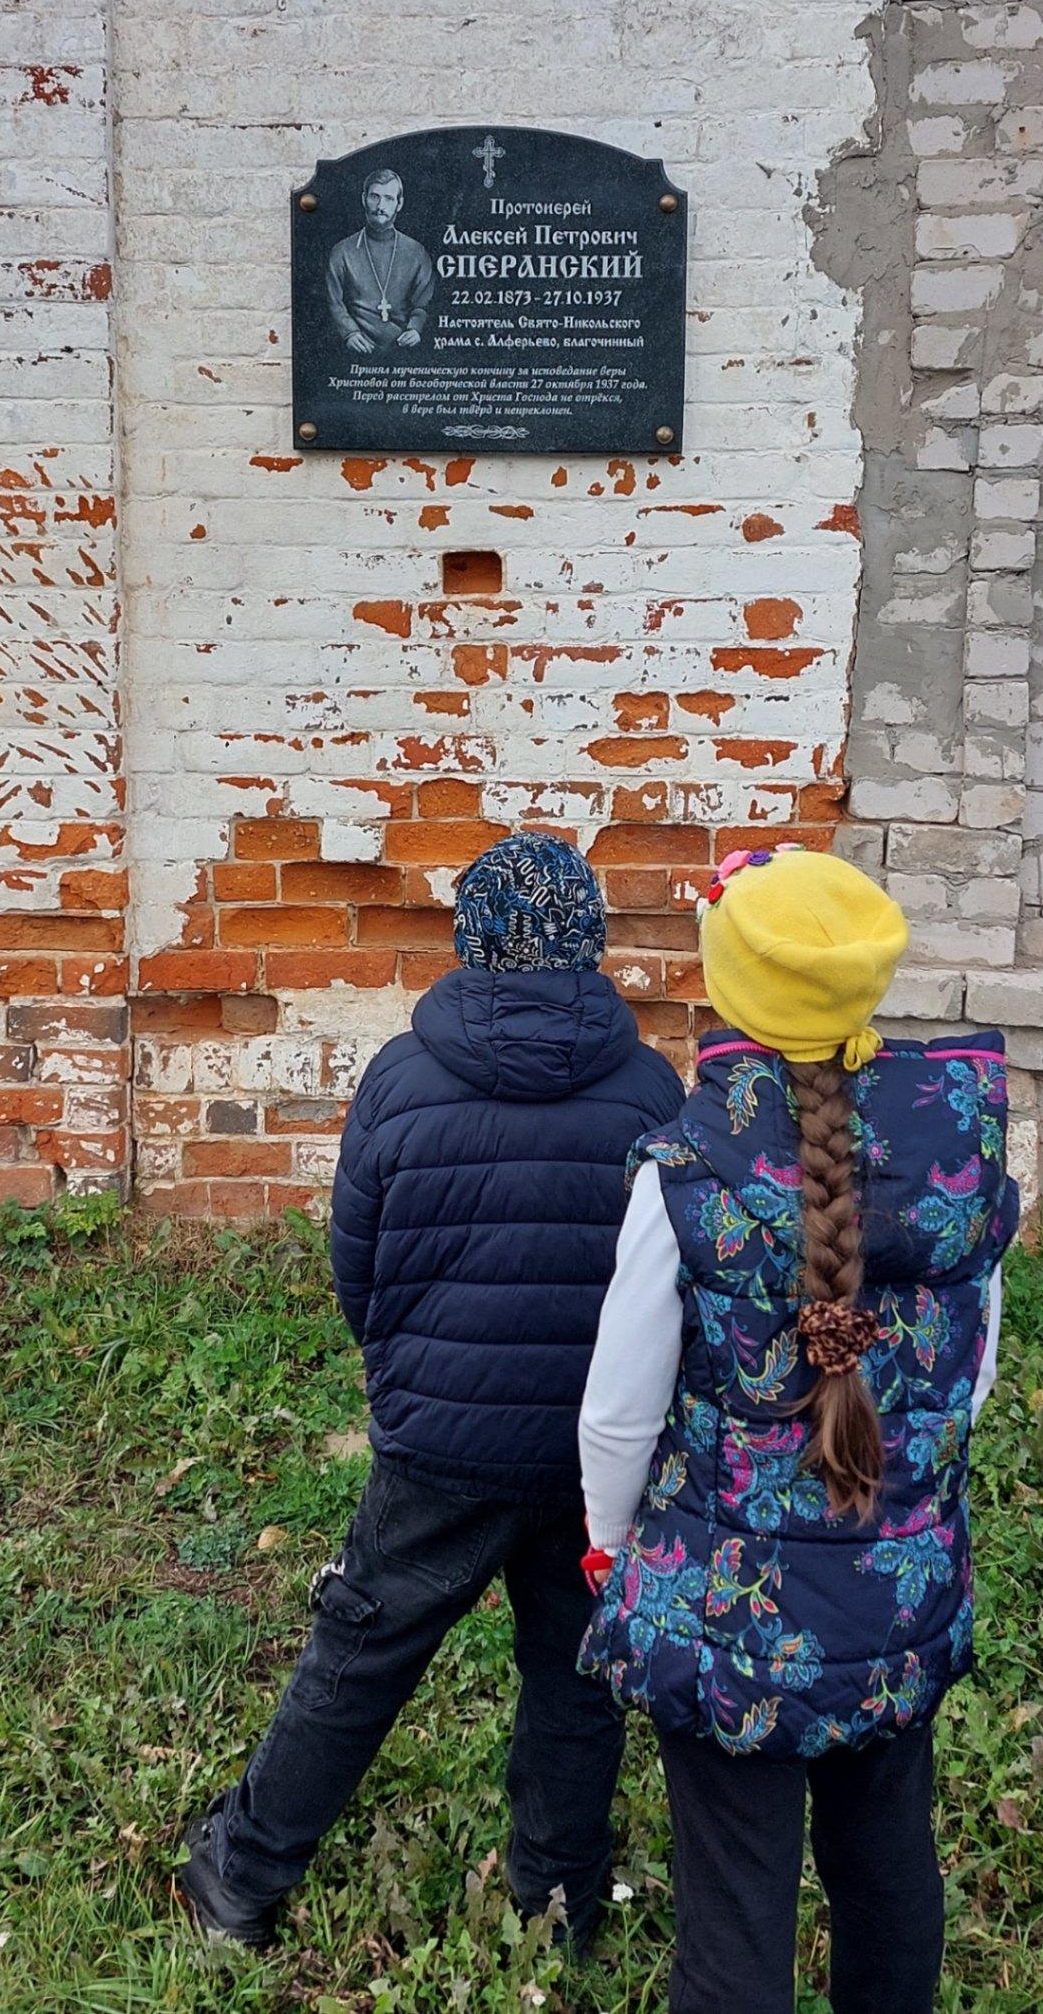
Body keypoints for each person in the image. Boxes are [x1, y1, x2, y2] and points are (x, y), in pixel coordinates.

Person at [180, 833, 685, 1951]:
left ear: (469, 939)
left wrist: (409, 1380)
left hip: (440, 1443)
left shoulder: (401, 1081)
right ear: (591, 941)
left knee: (361, 1651)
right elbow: (673, 1274)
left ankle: (242, 1878)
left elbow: (358, 1267)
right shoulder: (652, 1084)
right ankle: (558, 1911)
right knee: (576, 1674)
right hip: (596, 1450)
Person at [578, 846, 1020, 2014]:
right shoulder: (956, 1153)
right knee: (888, 1867)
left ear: (730, 990)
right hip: (897, 1587)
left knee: (734, 1901)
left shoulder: (688, 1165)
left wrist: (610, 1540)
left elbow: (619, 1407)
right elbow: (968, 1382)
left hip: (724, 1604)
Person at [325, 168, 437, 355]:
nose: (380, 206)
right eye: (374, 197)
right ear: (364, 199)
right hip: (356, 348)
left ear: (399, 204)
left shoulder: (416, 252)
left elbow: (424, 303)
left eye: (389, 198)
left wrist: (415, 329)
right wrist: (349, 332)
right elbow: (333, 302)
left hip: (403, 350)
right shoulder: (342, 251)